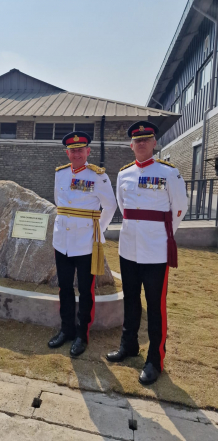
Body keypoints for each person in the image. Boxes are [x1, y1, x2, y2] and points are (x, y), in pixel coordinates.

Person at [106, 121, 188, 385]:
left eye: (146, 139)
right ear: (131, 145)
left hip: (156, 251)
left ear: (154, 143)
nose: (141, 143)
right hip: (129, 248)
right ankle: (128, 346)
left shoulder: (169, 172)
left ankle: (155, 359)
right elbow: (123, 207)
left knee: (155, 307)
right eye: (136, 140)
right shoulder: (123, 174)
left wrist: (161, 233)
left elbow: (180, 208)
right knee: (130, 300)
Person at [48, 131, 117, 357]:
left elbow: (110, 206)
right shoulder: (60, 173)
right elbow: (60, 204)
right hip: (62, 242)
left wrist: (98, 228)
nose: (76, 154)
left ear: (88, 151)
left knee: (86, 291)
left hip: (86, 243)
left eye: (80, 149)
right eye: (72, 150)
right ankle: (66, 329)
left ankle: (81, 334)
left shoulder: (98, 176)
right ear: (67, 152)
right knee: (65, 288)